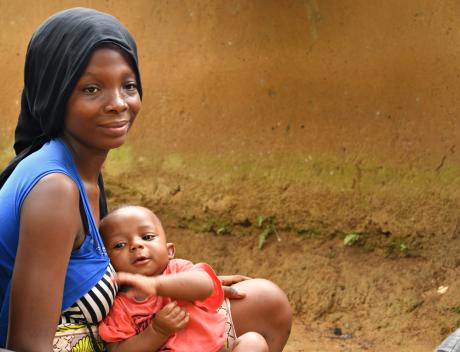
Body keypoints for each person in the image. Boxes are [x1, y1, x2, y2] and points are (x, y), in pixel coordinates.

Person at [0, 7, 292, 352]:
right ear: (54, 93)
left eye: (128, 85)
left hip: (108, 333)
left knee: (263, 303)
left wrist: (178, 282)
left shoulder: (79, 168)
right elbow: (25, 345)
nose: (118, 103)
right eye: (92, 89)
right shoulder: (55, 189)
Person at [98, 205, 269, 352]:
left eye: (147, 237)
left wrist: (156, 285)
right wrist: (157, 331)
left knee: (254, 341)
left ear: (170, 251)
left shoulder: (180, 270)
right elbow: (118, 350)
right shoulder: (121, 306)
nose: (136, 245)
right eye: (120, 244)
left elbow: (204, 285)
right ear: (108, 262)